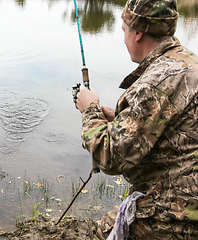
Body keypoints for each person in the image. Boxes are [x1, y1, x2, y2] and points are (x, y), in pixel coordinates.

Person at [75, 0, 198, 239]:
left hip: (178, 213)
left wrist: (89, 109)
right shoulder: (187, 62)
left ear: (138, 33)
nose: (123, 37)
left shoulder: (154, 84)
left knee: (102, 232)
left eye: (124, 29)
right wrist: (120, 119)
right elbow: (171, 127)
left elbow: (109, 157)